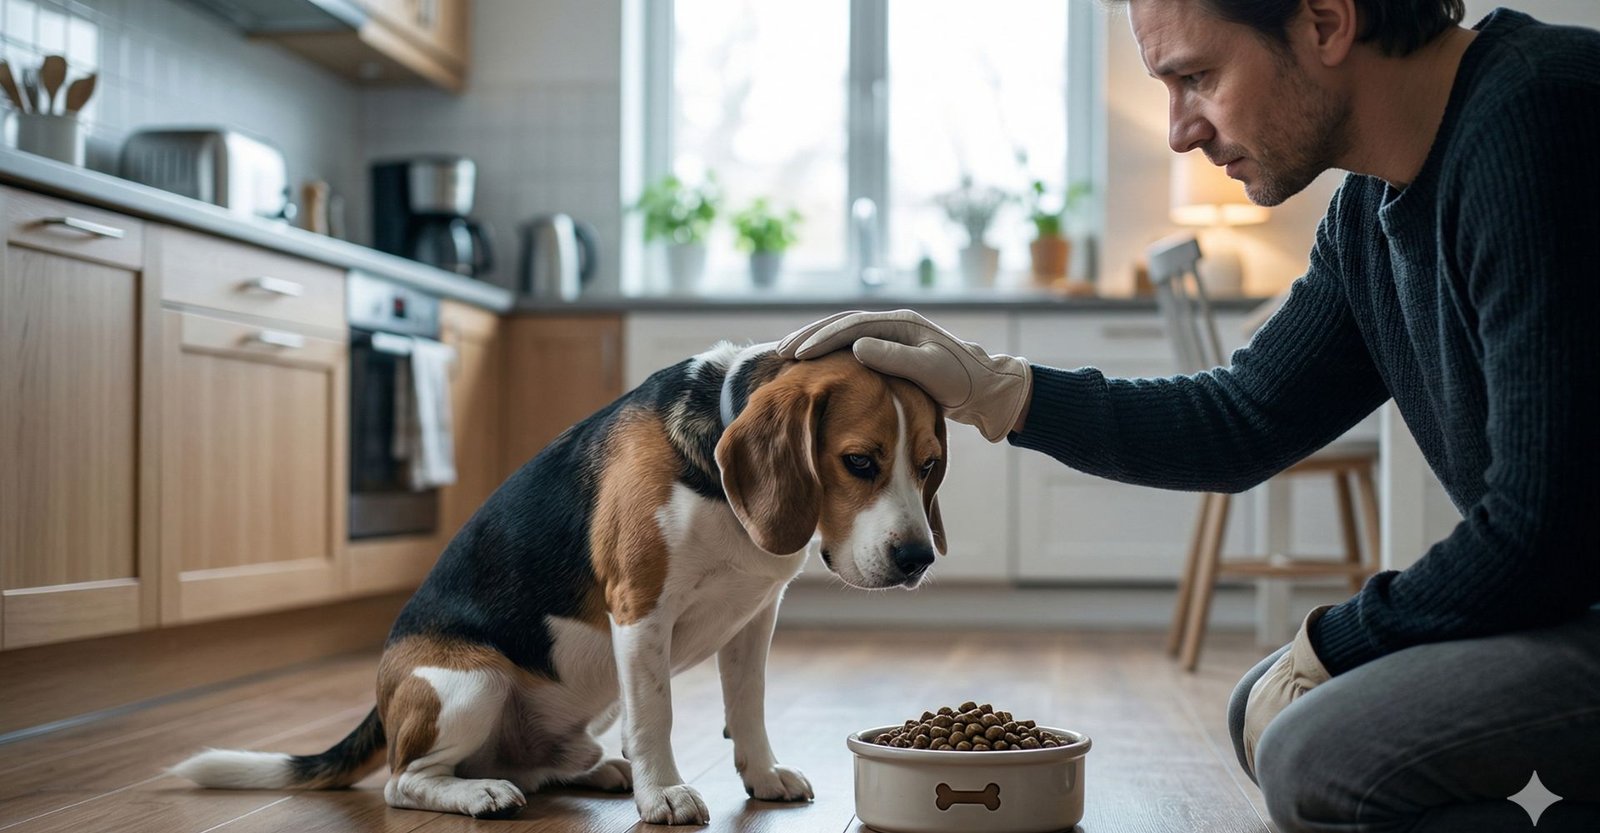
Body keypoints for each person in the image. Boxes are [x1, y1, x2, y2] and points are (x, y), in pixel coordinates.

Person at [776, 1, 1600, 830]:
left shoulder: (1539, 116)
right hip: (1569, 603)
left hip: (1573, 598)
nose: (1179, 131)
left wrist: (1336, 639)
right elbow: (1240, 419)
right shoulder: (1368, 216)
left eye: (1198, 77)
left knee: (1313, 753)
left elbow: (1542, 525)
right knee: (1261, 711)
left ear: (1325, 21)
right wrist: (1000, 390)